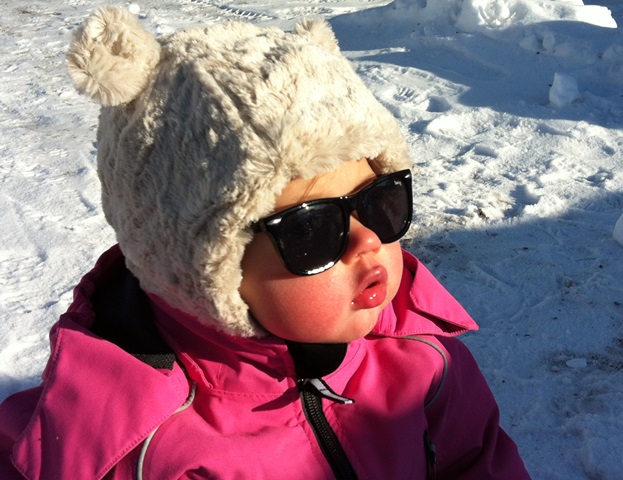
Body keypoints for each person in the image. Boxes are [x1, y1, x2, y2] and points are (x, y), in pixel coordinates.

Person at [0, 6, 530, 479]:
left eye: (379, 199)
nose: (368, 240)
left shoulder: (418, 354)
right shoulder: (133, 447)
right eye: (311, 229)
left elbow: (474, 460)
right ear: (207, 271)